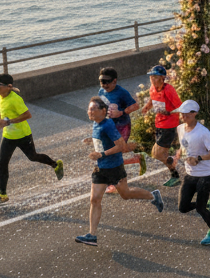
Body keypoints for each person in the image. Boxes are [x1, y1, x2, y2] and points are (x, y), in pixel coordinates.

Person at [76, 96, 163, 246]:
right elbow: (104, 139)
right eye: (88, 109)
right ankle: (92, 235)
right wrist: (92, 141)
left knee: (126, 194)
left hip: (114, 167)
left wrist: (101, 154)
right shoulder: (96, 124)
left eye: (92, 109)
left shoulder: (108, 124)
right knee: (94, 199)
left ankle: (153, 195)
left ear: (103, 111)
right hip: (100, 168)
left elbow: (121, 146)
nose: (89, 112)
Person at [0, 73, 63, 206]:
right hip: (8, 137)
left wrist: (7, 122)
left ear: (8, 86)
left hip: (23, 135)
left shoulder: (15, 99)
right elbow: (7, 110)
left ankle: (55, 165)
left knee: (33, 157)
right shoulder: (1, 97)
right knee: (2, 164)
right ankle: (3, 195)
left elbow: (27, 115)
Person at [172, 100, 210, 245]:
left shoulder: (203, 132)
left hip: (206, 174)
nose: (183, 117)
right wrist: (177, 155)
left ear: (194, 114)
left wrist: (199, 158)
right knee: (183, 207)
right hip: (190, 174)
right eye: (181, 114)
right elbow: (183, 145)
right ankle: (209, 204)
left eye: (186, 114)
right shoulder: (180, 128)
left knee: (200, 208)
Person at [96, 67, 144, 187]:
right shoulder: (101, 92)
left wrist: (121, 112)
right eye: (102, 81)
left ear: (114, 81)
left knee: (113, 153)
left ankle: (114, 182)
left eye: (107, 81)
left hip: (122, 125)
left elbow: (135, 106)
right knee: (115, 152)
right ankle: (137, 158)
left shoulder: (121, 92)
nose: (104, 84)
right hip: (109, 126)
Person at [140, 65, 183, 188]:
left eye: (155, 77)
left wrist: (170, 113)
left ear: (162, 78)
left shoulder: (168, 90)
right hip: (159, 123)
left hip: (169, 125)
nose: (152, 79)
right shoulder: (153, 89)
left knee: (157, 154)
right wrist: (147, 107)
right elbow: (152, 100)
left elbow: (180, 106)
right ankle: (174, 169)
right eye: (151, 77)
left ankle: (174, 168)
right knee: (159, 154)